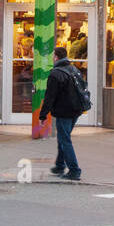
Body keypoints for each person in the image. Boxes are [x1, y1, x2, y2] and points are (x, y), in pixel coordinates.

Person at [40, 45, 86, 180]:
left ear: (56, 57)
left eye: (53, 56)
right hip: (76, 110)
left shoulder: (55, 74)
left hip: (64, 112)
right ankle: (60, 165)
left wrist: (43, 115)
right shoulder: (74, 70)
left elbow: (49, 97)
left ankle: (74, 170)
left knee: (65, 140)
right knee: (63, 137)